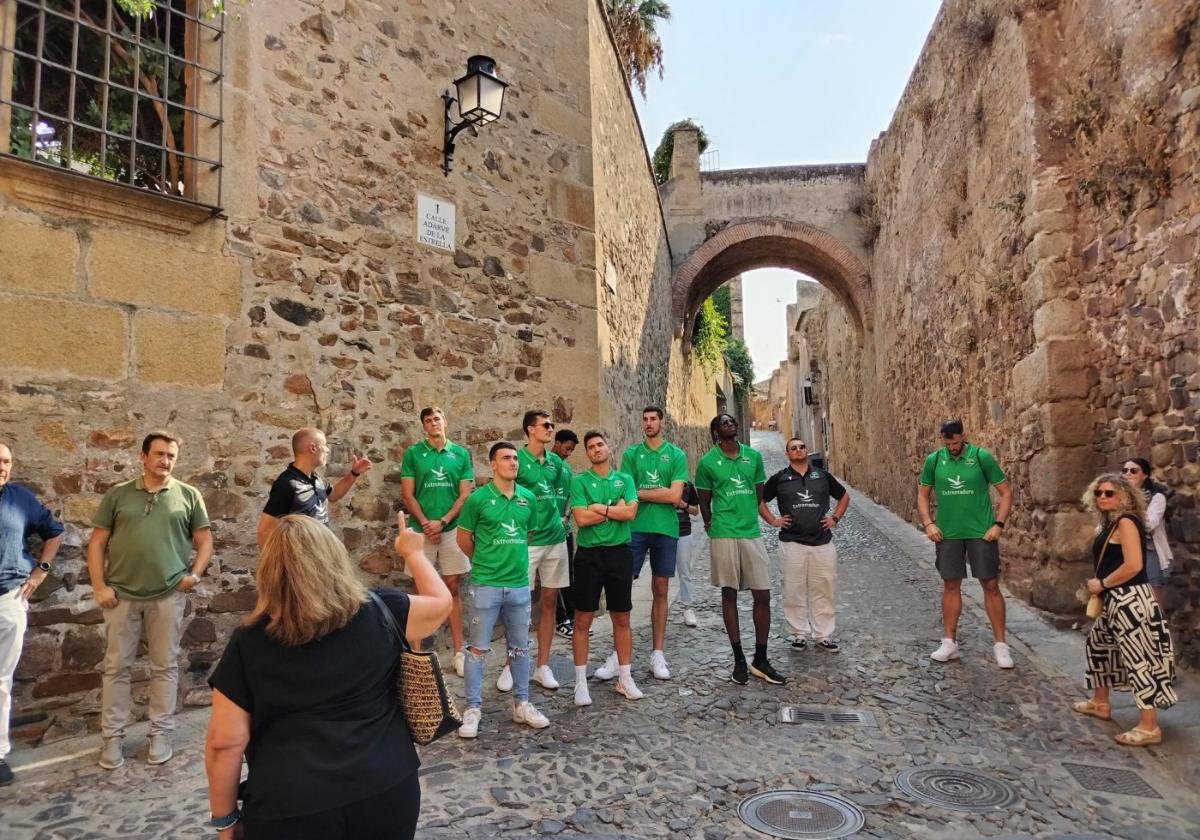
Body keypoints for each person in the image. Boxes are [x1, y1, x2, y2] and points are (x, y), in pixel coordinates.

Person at [205, 512, 452, 839]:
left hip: (290, 805)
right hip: (386, 787)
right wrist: (414, 554)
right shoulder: (380, 610)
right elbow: (441, 603)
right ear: (335, 558)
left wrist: (225, 821)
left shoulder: (248, 643)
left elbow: (225, 743)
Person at [87, 431, 213, 769]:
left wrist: (195, 575)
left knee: (165, 666)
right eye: (159, 454)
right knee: (116, 668)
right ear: (143, 456)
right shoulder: (118, 495)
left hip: (168, 595)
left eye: (171, 455)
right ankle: (112, 739)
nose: (165, 461)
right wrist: (100, 586)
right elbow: (97, 543)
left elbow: (205, 542)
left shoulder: (188, 495)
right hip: (121, 596)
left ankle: (161, 733)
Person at [1072, 473, 1176, 746]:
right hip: (1115, 599)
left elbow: (1134, 565)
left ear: (1126, 495)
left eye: (1110, 493)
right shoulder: (1111, 522)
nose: (1103, 497)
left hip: (1130, 599)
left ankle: (1149, 726)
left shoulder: (1127, 522)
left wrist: (1102, 583)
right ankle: (1100, 701)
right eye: (1099, 493)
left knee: (1139, 659)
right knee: (1098, 646)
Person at [456, 442, 551, 737]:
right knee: (477, 649)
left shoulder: (528, 499)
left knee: (521, 648)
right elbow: (464, 539)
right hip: (485, 583)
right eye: (506, 458)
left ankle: (521, 703)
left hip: (519, 585)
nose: (513, 463)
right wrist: (485, 562)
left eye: (514, 458)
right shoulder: (478, 500)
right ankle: (472, 708)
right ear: (492, 464)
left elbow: (528, 534)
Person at [695, 414, 786, 686]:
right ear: (715, 432)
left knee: (762, 594)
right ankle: (738, 660)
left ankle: (761, 657)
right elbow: (704, 501)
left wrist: (747, 514)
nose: (729, 423)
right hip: (723, 532)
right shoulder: (707, 463)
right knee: (729, 593)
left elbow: (759, 494)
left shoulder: (753, 457)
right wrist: (712, 524)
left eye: (732, 420)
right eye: (723, 422)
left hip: (750, 532)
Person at [917, 419, 1014, 669]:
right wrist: (929, 523)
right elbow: (923, 494)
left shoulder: (981, 457)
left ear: (963, 437)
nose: (952, 447)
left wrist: (998, 524)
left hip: (981, 532)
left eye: (956, 442)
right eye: (947, 442)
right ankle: (949, 642)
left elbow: (1006, 492)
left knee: (990, 584)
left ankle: (1001, 645)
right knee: (950, 584)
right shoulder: (935, 460)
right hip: (948, 534)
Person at [601, 406, 687, 681]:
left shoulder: (676, 455)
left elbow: (675, 496)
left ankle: (657, 653)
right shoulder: (631, 455)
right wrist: (656, 493)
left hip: (665, 528)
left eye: (653, 419)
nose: (649, 423)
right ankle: (618, 654)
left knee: (661, 587)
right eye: (645, 419)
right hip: (634, 528)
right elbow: (626, 495)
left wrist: (644, 493)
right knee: (622, 587)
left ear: (662, 422)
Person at [0, 443, 65, 787]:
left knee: (1, 682)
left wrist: (40, 571)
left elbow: (54, 533)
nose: (3, 467)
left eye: (7, 461)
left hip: (8, 600)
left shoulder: (20, 499)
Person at [496, 410, 569, 694]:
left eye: (552, 425)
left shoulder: (556, 464)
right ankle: (510, 665)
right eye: (546, 426)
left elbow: (563, 497)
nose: (551, 429)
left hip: (555, 539)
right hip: (527, 541)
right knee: (519, 603)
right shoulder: (518, 461)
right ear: (530, 430)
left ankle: (543, 665)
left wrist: (563, 522)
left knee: (549, 600)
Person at [570, 431, 643, 706]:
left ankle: (625, 677)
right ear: (587, 453)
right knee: (582, 620)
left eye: (600, 444)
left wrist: (599, 507)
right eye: (591, 447)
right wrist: (614, 508)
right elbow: (581, 518)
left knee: (622, 617)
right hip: (589, 556)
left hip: (619, 554)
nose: (596, 449)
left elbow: (631, 513)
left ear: (609, 448)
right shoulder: (580, 482)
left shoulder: (624, 479)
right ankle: (579, 683)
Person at [400, 407, 474, 672]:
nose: (433, 423)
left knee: (453, 587)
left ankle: (458, 652)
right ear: (423, 426)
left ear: (445, 422)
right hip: (422, 530)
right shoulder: (413, 454)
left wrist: (442, 522)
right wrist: (426, 524)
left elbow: (465, 494)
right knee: (419, 592)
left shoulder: (461, 454)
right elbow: (408, 494)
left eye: (437, 418)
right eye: (428, 420)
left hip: (451, 527)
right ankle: (417, 655)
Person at [761, 438, 850, 651]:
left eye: (801, 447)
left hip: (822, 543)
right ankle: (799, 633)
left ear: (806, 451)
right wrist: (773, 520)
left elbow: (844, 496)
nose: (798, 450)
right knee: (793, 589)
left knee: (824, 587)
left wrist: (835, 518)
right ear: (787, 454)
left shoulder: (822, 476)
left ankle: (823, 634)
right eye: (794, 448)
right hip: (792, 543)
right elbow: (759, 500)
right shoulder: (780, 478)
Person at [257, 427, 371, 547]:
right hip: (299, 562)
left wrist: (354, 473)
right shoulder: (287, 484)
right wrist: (278, 564)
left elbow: (335, 494)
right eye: (324, 445)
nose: (327, 450)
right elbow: (264, 531)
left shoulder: (316, 479)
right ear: (313, 448)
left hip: (319, 557)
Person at [1121, 458, 1172, 606]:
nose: (1128, 474)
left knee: (1152, 594)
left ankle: (1158, 627)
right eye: (1125, 470)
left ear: (1144, 475)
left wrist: (1130, 507)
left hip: (1148, 549)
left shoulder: (1157, 497)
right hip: (1122, 549)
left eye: (1133, 470)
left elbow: (1149, 525)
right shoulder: (1117, 496)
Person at [551, 429, 581, 639]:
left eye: (571, 450)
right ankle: (560, 620)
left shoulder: (568, 470)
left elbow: (571, 496)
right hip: (547, 532)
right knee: (550, 579)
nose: (568, 453)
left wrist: (566, 516)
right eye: (567, 448)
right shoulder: (546, 465)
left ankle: (573, 618)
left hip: (565, 530)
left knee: (568, 574)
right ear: (557, 443)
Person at [674, 481, 701, 628]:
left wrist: (683, 505)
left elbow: (696, 511)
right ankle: (660, 609)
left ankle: (688, 608)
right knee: (660, 575)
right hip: (663, 532)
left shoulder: (688, 486)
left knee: (685, 572)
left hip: (683, 532)